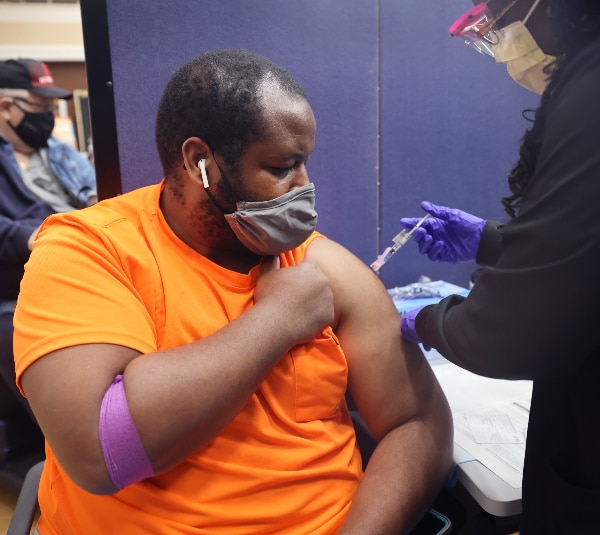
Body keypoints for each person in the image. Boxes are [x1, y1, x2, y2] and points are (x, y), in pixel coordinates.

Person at [13, 49, 453, 534]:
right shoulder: (90, 251)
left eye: (304, 163)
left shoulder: (321, 266)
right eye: (282, 167)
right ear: (200, 162)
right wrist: (278, 318)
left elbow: (419, 422)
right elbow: (101, 453)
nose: (304, 187)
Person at [400, 1, 600, 533]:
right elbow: (585, 244)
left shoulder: (589, 91)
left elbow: (518, 330)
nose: (498, 32)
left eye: (498, 14)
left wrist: (426, 320)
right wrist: (490, 241)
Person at [0, 58, 96, 452]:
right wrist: (32, 235)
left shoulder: (60, 151)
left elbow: (95, 194)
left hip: (83, 259)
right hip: (20, 280)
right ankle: (70, 445)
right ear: (6, 107)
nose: (48, 117)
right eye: (40, 108)